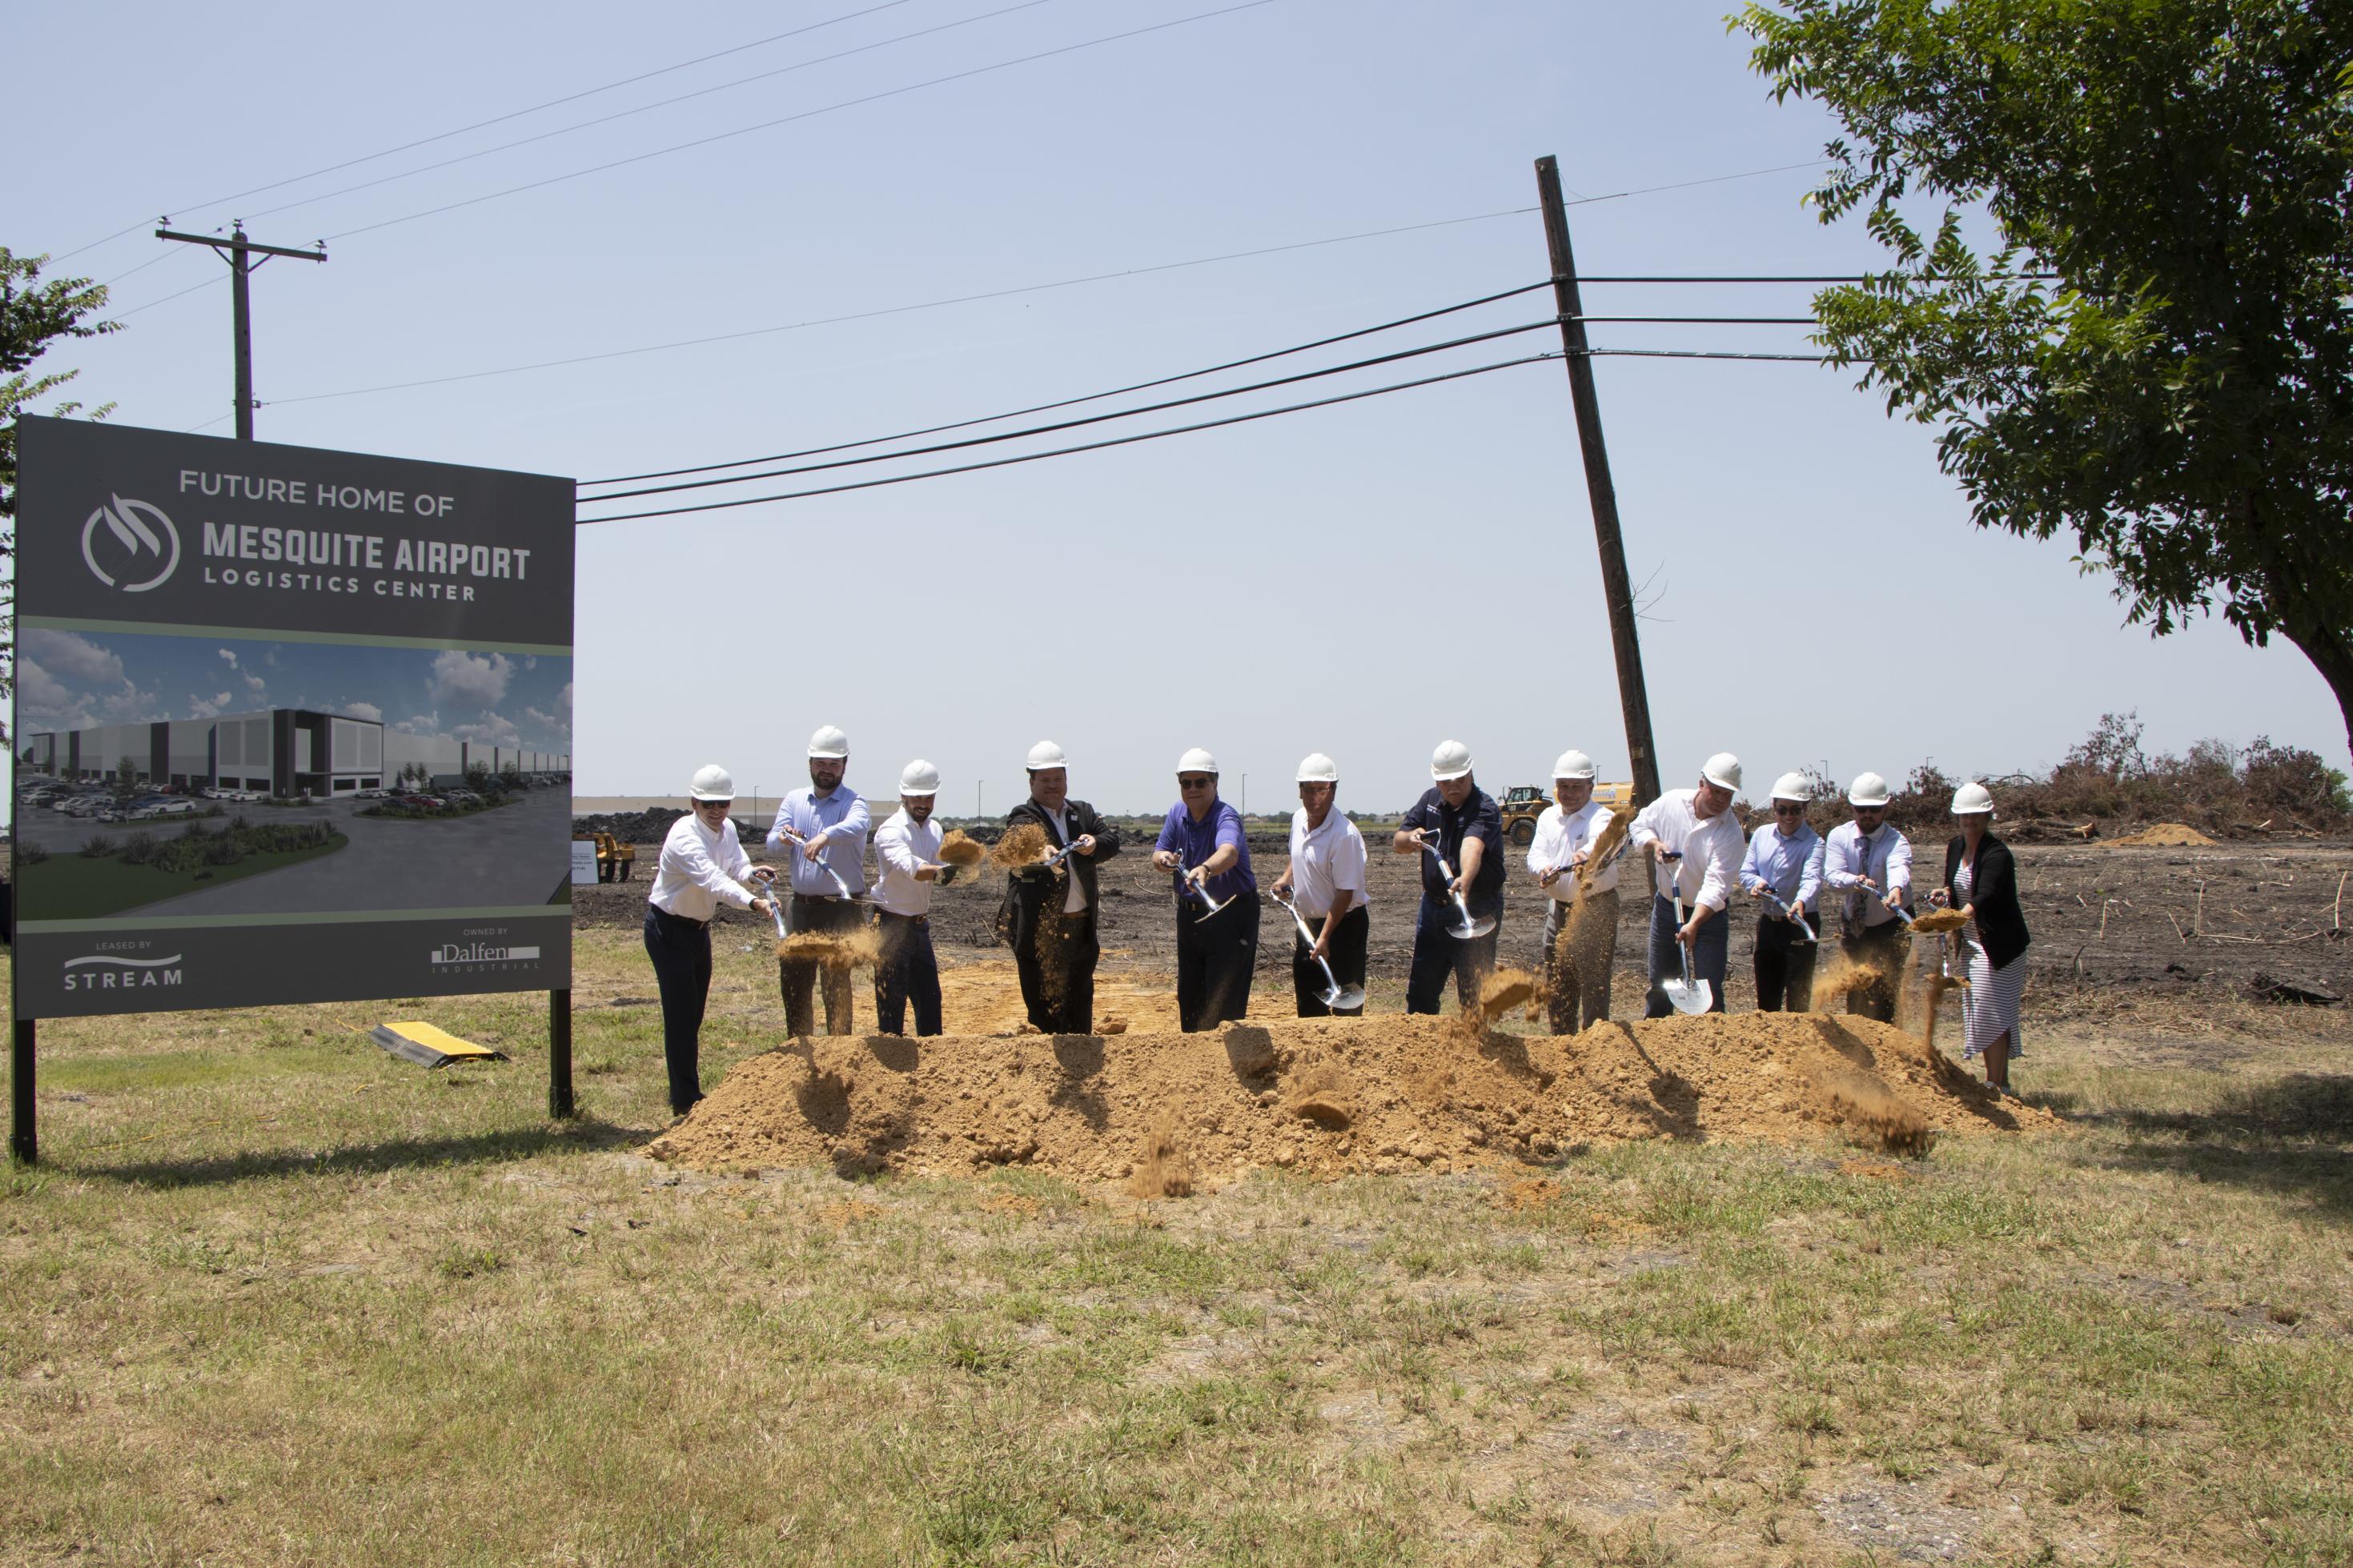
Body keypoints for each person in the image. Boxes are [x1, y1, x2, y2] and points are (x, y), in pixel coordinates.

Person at [644, 765, 776, 1116]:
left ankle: (686, 1088)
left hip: (699, 930)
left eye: (723, 803)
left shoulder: (726, 829)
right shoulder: (684, 837)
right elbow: (713, 880)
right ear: (694, 802)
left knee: (694, 1013)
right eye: (709, 804)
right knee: (681, 1015)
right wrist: (753, 901)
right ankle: (685, 1100)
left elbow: (734, 865)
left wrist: (752, 874)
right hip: (668, 929)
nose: (717, 811)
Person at [999, 740, 1122, 1033]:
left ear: (1066, 779)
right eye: (1045, 780)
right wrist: (1042, 852)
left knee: (1080, 1009)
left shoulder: (1083, 813)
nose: (1052, 786)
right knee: (1045, 1015)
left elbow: (1111, 842)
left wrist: (1093, 844)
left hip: (1080, 929)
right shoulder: (1025, 815)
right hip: (1040, 933)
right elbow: (1022, 839)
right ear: (1032, 783)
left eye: (1058, 779)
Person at [766, 724, 870, 1037]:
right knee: (795, 982)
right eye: (821, 763)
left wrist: (825, 836)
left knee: (836, 983)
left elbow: (858, 825)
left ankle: (840, 1052)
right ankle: (799, 1049)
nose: (827, 770)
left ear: (844, 766)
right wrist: (786, 838)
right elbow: (772, 841)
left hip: (839, 910)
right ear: (810, 763)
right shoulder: (795, 800)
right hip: (801, 909)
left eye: (834, 764)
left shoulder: (854, 802)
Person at [1627, 753, 1746, 1017]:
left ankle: (1713, 1046)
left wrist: (1694, 924)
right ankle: (1657, 1036)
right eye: (1715, 791)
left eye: (1727, 795)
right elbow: (1639, 825)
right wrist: (1654, 844)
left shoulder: (1730, 834)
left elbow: (1717, 885)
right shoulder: (1672, 803)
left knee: (1709, 989)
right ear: (1701, 783)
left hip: (1709, 917)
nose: (1720, 800)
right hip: (1668, 907)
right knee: (1660, 983)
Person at [1933, 780, 2031, 1095]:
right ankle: (2000, 1082)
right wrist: (1944, 894)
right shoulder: (1955, 847)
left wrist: (1960, 916)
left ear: (1988, 817)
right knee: (1983, 1007)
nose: (1969, 821)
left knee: (1992, 1008)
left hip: (2000, 946)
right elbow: (1956, 886)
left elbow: (1986, 893)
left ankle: (1995, 1084)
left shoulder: (1997, 853)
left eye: (1976, 815)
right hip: (1974, 944)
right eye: (1964, 815)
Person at [1151, 748, 1260, 1030]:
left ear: (1215, 783)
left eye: (1201, 782)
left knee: (1224, 1001)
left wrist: (1206, 868)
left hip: (1230, 914)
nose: (1193, 789)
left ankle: (1224, 1067)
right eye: (1186, 783)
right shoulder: (1178, 812)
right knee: (1190, 997)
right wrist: (1163, 860)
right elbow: (1160, 849)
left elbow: (1229, 851)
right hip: (1189, 916)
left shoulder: (1226, 816)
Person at [1393, 739, 1504, 1015]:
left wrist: (1465, 878)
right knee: (1421, 990)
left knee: (1474, 993)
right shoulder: (1430, 801)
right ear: (1436, 780)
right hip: (1433, 909)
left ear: (1471, 774)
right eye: (1445, 781)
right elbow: (1399, 841)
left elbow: (1472, 845)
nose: (1452, 786)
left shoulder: (1484, 808)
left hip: (1476, 906)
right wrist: (1412, 837)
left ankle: (1477, 1048)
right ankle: (1422, 1048)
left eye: (1459, 778)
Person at [1526, 748, 1620, 1034]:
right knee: (1558, 978)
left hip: (1594, 907)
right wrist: (1543, 869)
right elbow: (1535, 855)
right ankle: (1562, 1040)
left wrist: (1586, 855)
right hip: (1559, 908)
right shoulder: (1548, 818)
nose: (1568, 793)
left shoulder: (1601, 817)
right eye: (1563, 786)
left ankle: (1595, 1037)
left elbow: (1602, 842)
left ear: (1590, 787)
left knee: (1593, 978)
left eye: (1576, 787)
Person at [1270, 752, 1370, 1018]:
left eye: (1322, 789)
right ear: (1299, 791)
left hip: (1344, 928)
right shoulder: (1298, 820)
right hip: (1309, 926)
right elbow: (1298, 855)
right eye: (1308, 789)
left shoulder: (1344, 835)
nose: (1315, 796)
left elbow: (1345, 892)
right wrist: (1285, 880)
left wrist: (1325, 938)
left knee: (1346, 1008)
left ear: (1333, 791)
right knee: (1309, 1002)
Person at [1824, 770, 1913, 1022]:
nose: (1867, 815)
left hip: (1890, 925)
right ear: (1852, 808)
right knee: (1857, 988)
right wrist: (1856, 881)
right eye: (1861, 809)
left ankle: (1888, 1046)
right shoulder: (1840, 837)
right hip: (1855, 926)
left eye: (1874, 809)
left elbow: (1899, 867)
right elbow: (1832, 877)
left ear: (1886, 808)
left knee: (1885, 991)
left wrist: (1896, 889)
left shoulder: (1896, 841)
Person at [870, 759, 948, 1038]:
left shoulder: (935, 829)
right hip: (891, 925)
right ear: (903, 795)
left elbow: (940, 862)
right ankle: (892, 1068)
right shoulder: (891, 831)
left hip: (919, 926)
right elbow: (911, 867)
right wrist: (945, 873)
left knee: (929, 1000)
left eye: (928, 797)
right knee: (892, 1003)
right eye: (916, 797)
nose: (923, 803)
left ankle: (933, 1065)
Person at [1741, 771, 1826, 1013]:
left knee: (1798, 997)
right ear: (1773, 808)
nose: (1788, 816)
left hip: (1800, 922)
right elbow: (1746, 871)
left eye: (1795, 810)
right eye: (1783, 810)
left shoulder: (1815, 843)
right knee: (1767, 999)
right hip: (1769, 924)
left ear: (1805, 809)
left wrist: (1800, 901)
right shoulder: (1761, 835)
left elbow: (1812, 879)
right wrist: (1756, 884)